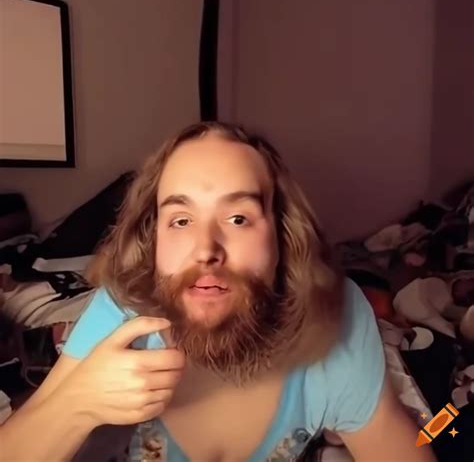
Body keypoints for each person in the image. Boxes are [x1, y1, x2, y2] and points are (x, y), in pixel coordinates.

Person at [1, 122, 435, 461]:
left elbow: (392, 440)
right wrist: (77, 403)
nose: (206, 250)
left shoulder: (339, 315)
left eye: (238, 218)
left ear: (282, 238)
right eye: (181, 220)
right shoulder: (123, 313)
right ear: (154, 242)